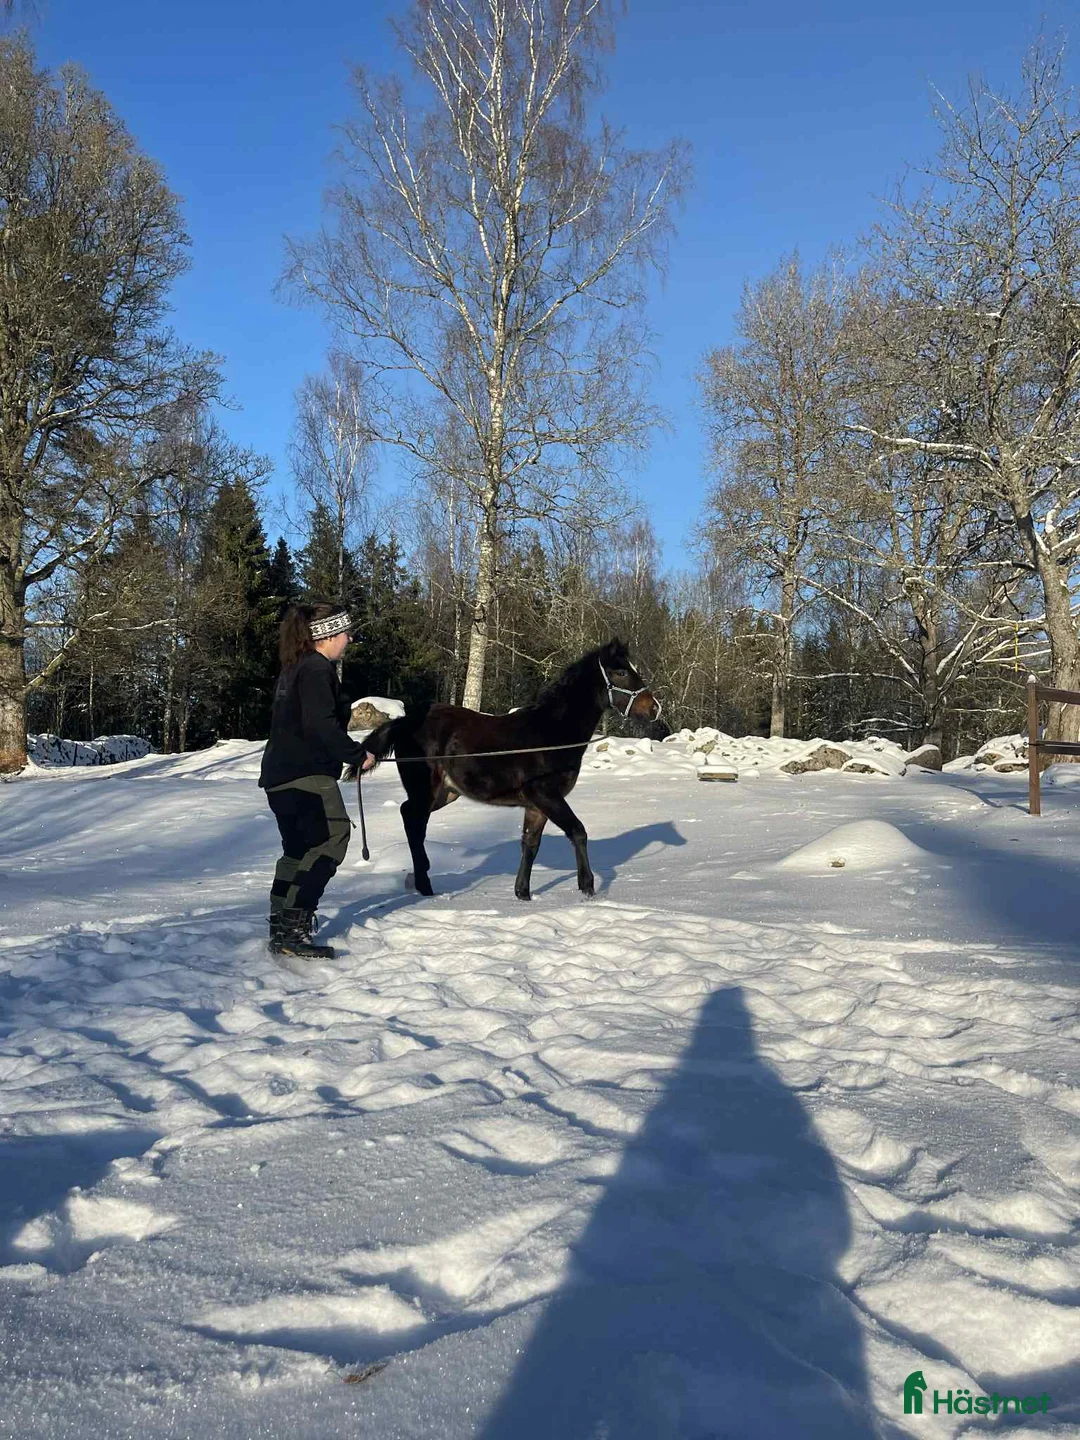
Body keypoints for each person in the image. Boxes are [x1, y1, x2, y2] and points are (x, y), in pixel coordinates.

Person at [259, 602, 375, 958]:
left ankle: (281, 925)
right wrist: (358, 755)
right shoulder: (316, 669)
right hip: (305, 774)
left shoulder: (294, 667)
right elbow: (320, 725)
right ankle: (294, 927)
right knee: (332, 839)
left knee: (297, 850)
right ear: (328, 636)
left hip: (279, 775)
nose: (350, 638)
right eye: (345, 633)